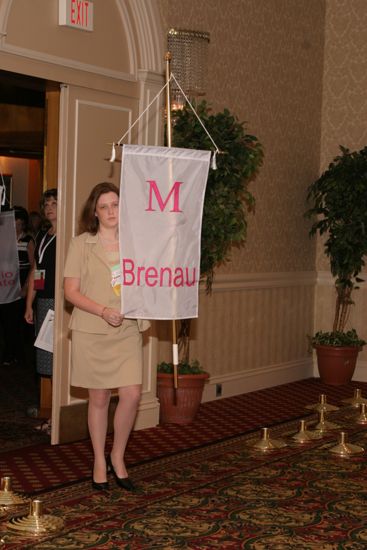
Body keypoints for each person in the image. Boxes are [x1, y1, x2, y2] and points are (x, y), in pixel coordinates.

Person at [64, 182, 150, 492]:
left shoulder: (136, 243)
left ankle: (118, 455)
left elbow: (150, 281)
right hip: (92, 329)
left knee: (132, 394)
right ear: (95, 212)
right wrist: (102, 310)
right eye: (105, 206)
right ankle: (99, 460)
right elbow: (70, 292)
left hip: (127, 328)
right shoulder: (81, 244)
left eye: (116, 204)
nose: (112, 211)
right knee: (99, 397)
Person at [25, 189, 57, 432]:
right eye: (46, 203)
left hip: (59, 303)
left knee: (58, 362)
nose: (49, 207)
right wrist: (29, 304)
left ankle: (58, 418)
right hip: (43, 303)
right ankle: (53, 416)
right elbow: (37, 272)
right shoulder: (43, 236)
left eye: (55, 203)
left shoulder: (66, 235)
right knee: (46, 364)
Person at [0, 206, 34, 366]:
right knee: (6, 321)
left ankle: (18, 354)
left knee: (15, 321)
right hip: (5, 283)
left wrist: (28, 286)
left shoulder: (27, 240)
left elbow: (34, 266)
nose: (17, 226)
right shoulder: (5, 239)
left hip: (20, 282)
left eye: (20, 224)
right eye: (14, 223)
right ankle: (8, 352)